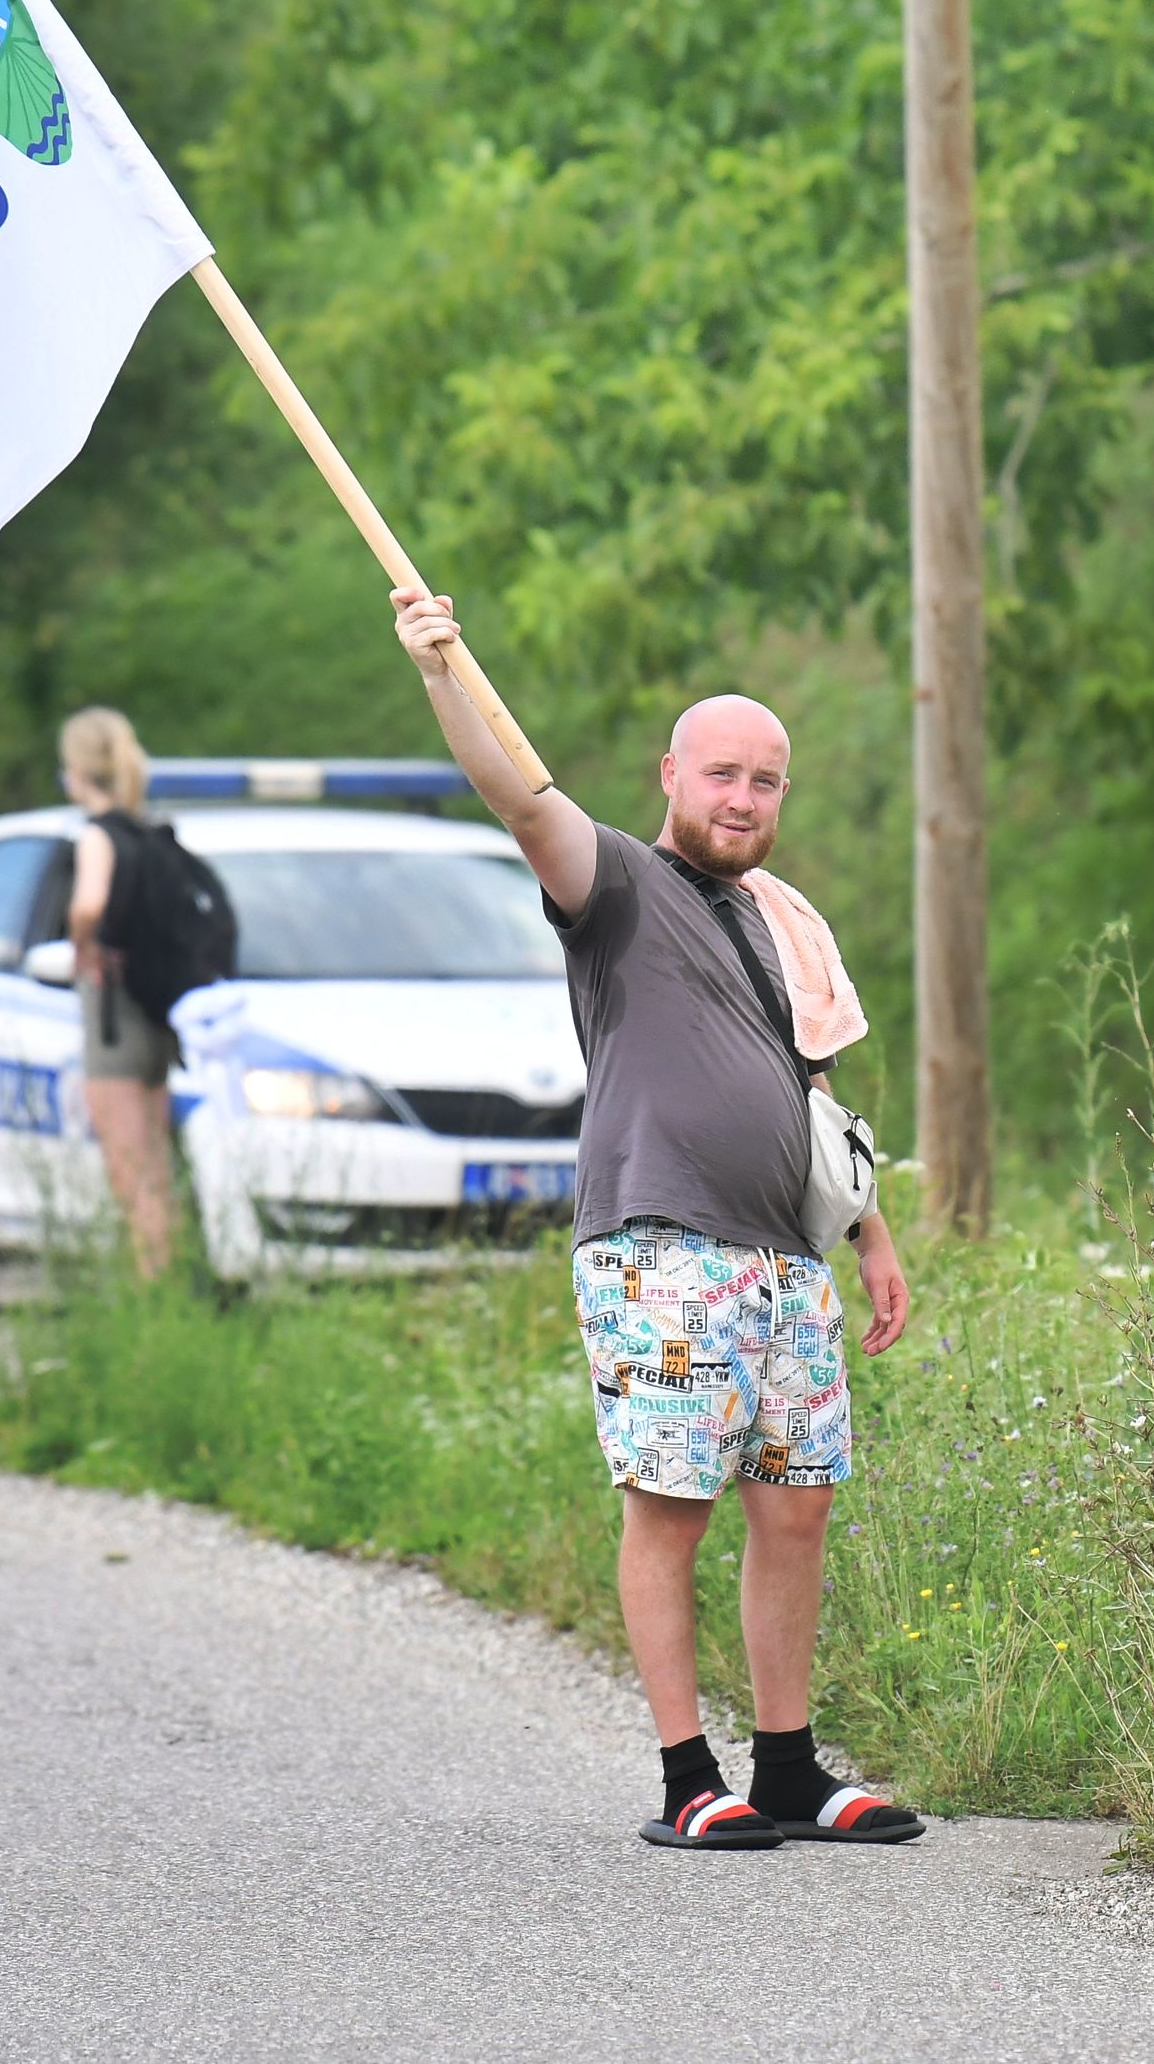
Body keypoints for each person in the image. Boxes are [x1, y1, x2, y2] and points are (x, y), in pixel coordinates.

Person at [391, 586, 921, 1853]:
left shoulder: (780, 915)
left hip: (785, 1256)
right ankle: (690, 1777)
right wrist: (440, 671)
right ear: (672, 775)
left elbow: (811, 1087)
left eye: (767, 782)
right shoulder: (617, 882)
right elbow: (520, 796)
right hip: (660, 1248)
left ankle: (786, 1768)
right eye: (724, 775)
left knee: (796, 1503)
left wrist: (870, 1230)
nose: (744, 799)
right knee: (671, 1505)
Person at [56, 706, 182, 1280]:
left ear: (77, 770)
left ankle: (154, 1294)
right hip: (156, 1015)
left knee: (131, 1174)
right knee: (157, 1167)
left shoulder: (97, 835)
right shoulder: (148, 832)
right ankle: (170, 1280)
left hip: (113, 1019)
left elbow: (89, 903)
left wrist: (81, 941)